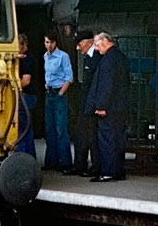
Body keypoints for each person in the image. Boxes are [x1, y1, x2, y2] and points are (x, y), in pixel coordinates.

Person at [83, 31, 129, 182]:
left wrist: (101, 105)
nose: (96, 49)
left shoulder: (108, 59)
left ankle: (108, 172)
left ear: (105, 42)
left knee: (107, 139)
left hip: (109, 107)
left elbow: (106, 85)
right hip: (119, 106)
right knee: (118, 139)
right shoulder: (119, 56)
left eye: (97, 45)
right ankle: (118, 171)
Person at [65, 30, 97, 176]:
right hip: (85, 102)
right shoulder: (88, 58)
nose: (78, 48)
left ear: (88, 42)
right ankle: (79, 165)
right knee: (80, 135)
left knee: (92, 136)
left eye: (79, 44)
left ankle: (95, 167)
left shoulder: (97, 57)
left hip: (93, 103)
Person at [41, 30, 73, 170]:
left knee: (61, 129)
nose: (49, 45)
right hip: (49, 92)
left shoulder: (63, 56)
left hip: (58, 92)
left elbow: (68, 77)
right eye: (47, 42)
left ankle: (65, 162)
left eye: (51, 42)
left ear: (55, 43)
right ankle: (51, 161)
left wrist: (61, 93)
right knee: (50, 129)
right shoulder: (45, 56)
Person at [15, 33, 37, 157]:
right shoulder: (25, 58)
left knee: (21, 130)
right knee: (28, 131)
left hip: (25, 97)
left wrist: (14, 88)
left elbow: (26, 80)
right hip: (30, 97)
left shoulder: (28, 60)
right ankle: (30, 158)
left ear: (23, 45)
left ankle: (21, 157)